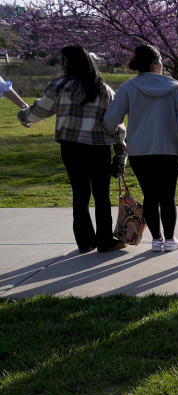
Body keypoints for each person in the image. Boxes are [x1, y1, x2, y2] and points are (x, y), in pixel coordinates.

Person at [18, 45, 126, 254]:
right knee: (102, 195)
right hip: (99, 148)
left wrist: (24, 117)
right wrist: (121, 155)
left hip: (71, 147)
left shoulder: (60, 86)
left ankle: (85, 241)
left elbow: (40, 110)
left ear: (67, 63)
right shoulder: (103, 89)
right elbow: (117, 125)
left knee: (80, 193)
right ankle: (105, 240)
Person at [104, 44, 178, 252]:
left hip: (140, 151)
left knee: (150, 195)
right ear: (155, 63)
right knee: (168, 196)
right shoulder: (175, 88)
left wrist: (119, 136)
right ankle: (170, 239)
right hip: (170, 149)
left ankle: (156, 239)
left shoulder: (128, 88)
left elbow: (110, 120)